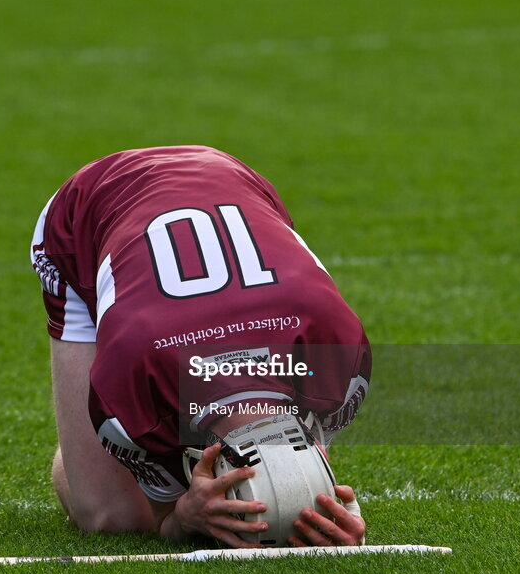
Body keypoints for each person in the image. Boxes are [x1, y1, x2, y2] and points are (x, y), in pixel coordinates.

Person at [31, 146, 371, 548]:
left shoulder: (341, 367)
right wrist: (183, 516)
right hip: (90, 206)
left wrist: (308, 498)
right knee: (113, 515)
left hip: (231, 178)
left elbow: (295, 457)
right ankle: (80, 447)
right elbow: (163, 520)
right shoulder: (131, 389)